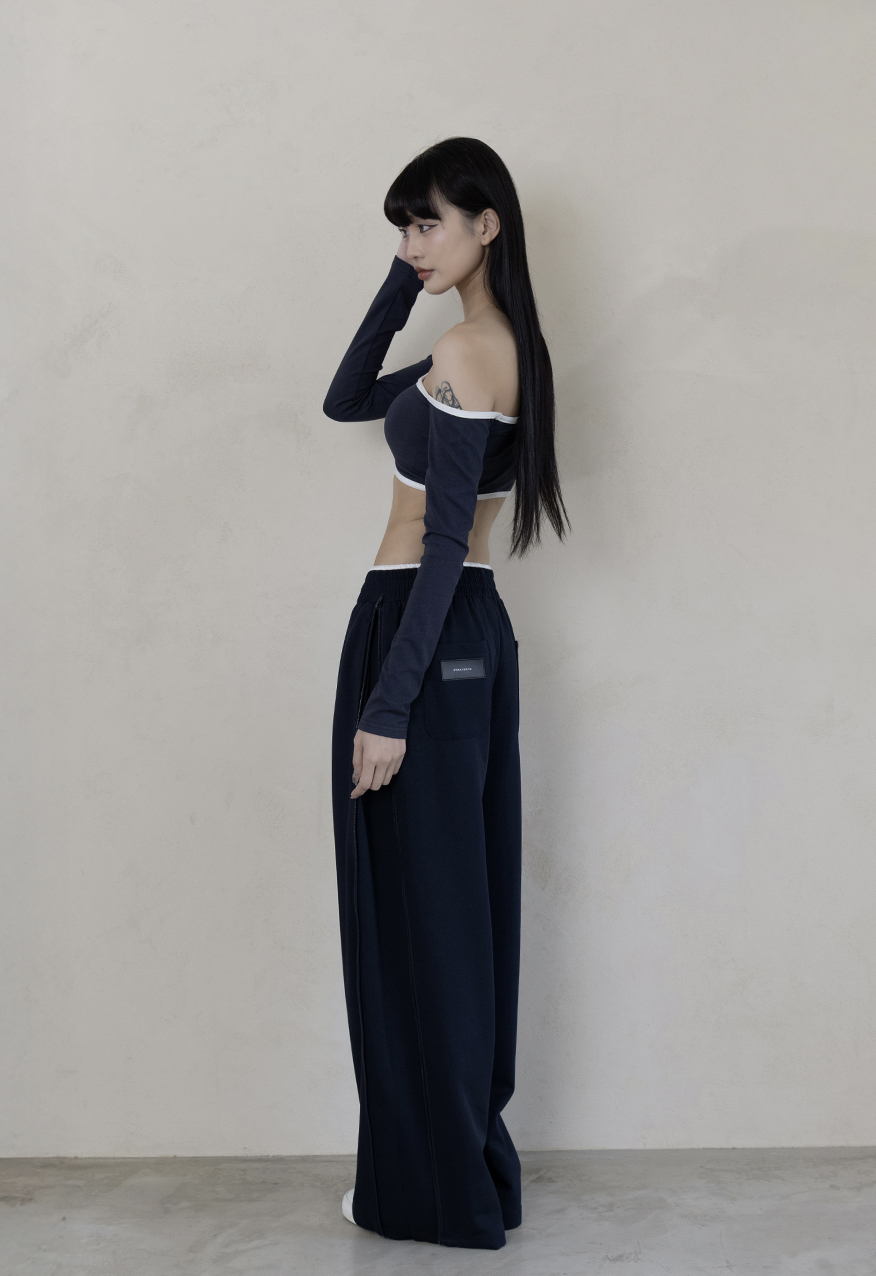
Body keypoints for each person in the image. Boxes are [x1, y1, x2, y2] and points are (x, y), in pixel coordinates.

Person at [322, 136, 568, 1251]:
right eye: (402, 227)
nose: (413, 243)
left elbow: (438, 544)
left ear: (487, 224)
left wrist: (387, 705)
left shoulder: (471, 351)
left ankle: (434, 1192)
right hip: (463, 634)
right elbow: (344, 399)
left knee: (416, 924)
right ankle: (462, 1173)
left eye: (428, 223)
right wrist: (403, 278)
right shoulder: (490, 343)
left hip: (419, 630)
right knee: (451, 917)